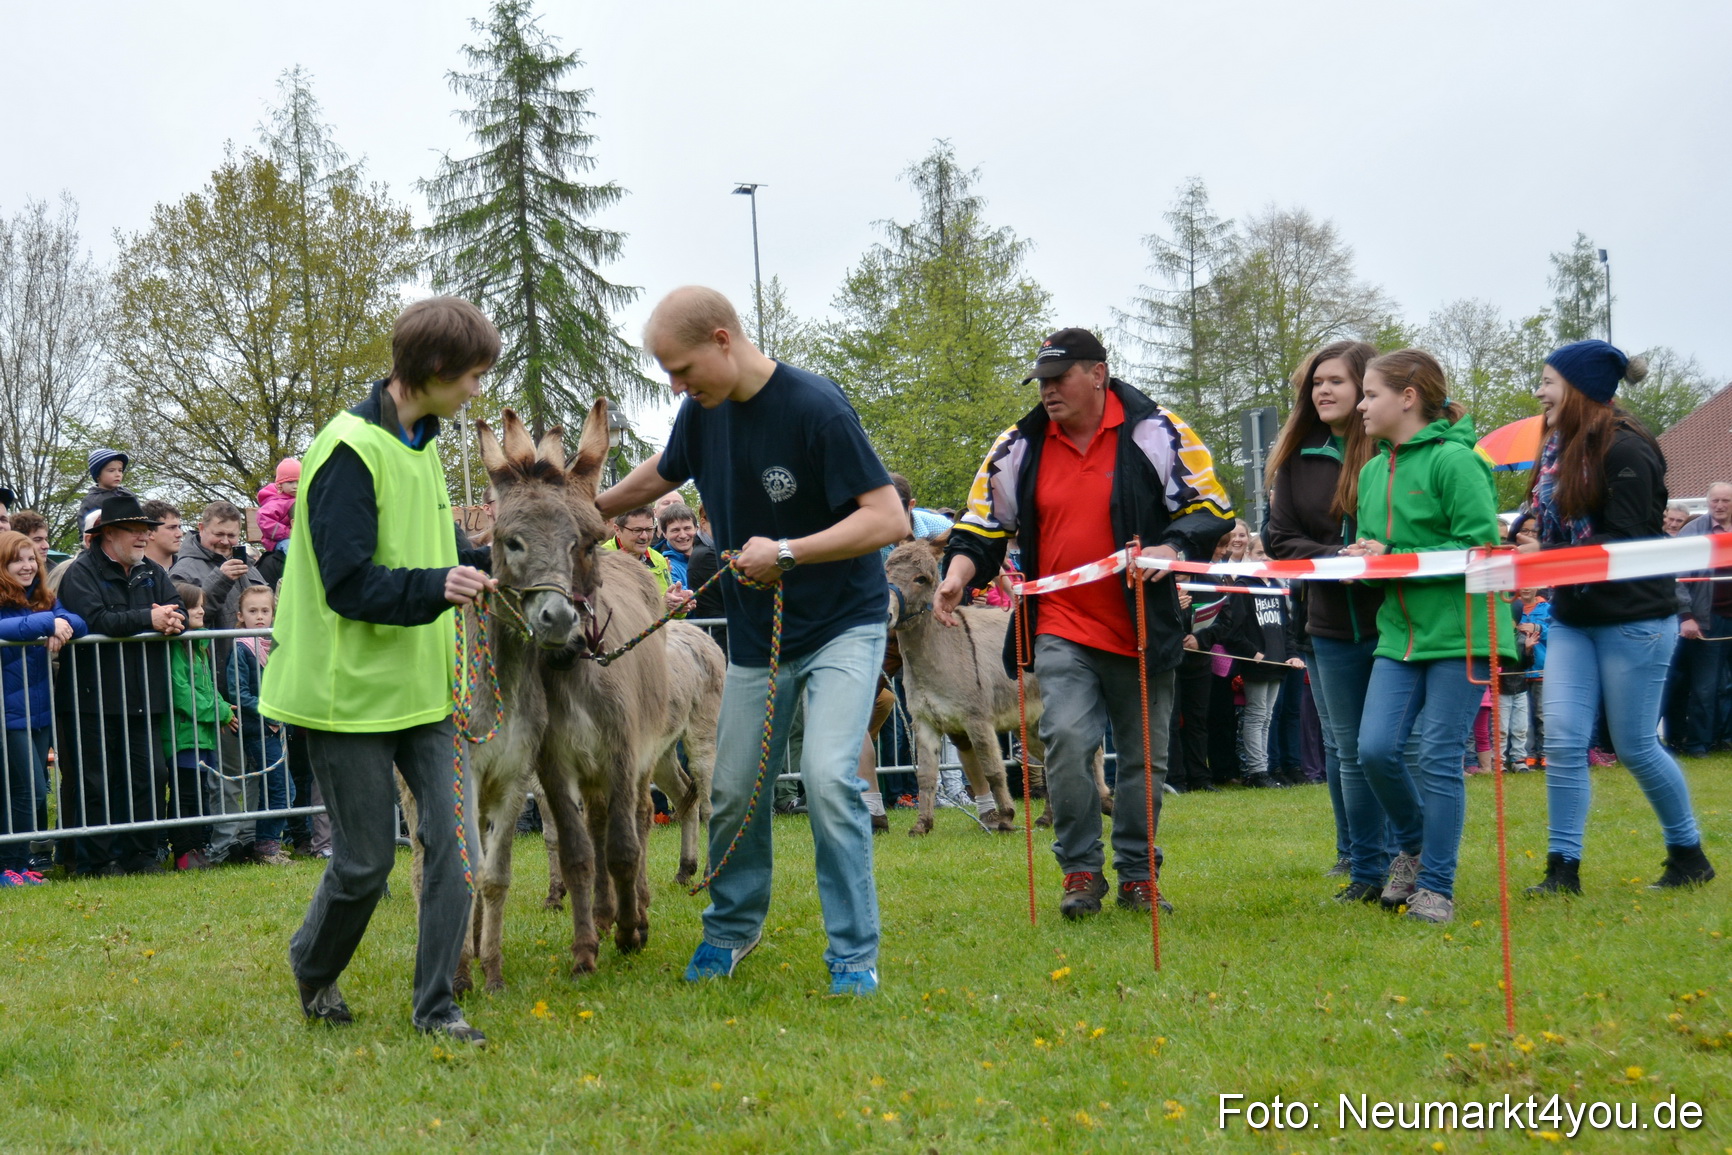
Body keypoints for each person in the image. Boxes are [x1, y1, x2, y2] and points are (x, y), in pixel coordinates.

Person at [598, 285, 905, 995]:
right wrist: (594, 505)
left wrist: (789, 552)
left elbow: (886, 516)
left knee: (830, 778)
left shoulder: (816, 408)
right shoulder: (701, 412)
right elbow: (667, 470)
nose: (676, 385)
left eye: (680, 368)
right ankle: (732, 927)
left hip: (842, 627)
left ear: (721, 339)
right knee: (732, 788)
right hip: (755, 634)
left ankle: (854, 955)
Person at [263, 295, 499, 1043]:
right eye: (472, 375)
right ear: (432, 369)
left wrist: (489, 565)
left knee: (457, 854)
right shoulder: (345, 450)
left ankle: (436, 1005)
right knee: (364, 865)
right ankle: (312, 964)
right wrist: (438, 587)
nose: (476, 390)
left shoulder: (423, 441)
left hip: (425, 691)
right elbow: (349, 582)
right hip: (345, 698)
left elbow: (434, 550)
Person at [937, 327, 1233, 919]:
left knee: (1144, 757)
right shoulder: (1019, 444)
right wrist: (958, 575)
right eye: (1041, 381)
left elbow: (1210, 507)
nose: (1047, 391)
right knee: (1067, 741)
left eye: (1059, 378)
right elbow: (984, 524)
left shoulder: (1157, 430)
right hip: (1060, 624)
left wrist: (1171, 549)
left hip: (1142, 623)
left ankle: (1137, 873)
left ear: (1097, 374)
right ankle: (1078, 870)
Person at [1517, 341, 1714, 895]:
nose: (1539, 391)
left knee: (1634, 745)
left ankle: (1688, 854)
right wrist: (1527, 532)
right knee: (1561, 741)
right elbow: (1557, 517)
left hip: (1636, 617)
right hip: (1575, 614)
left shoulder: (1628, 449)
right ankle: (1563, 870)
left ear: (1580, 389)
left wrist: (1548, 556)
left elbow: (1629, 538)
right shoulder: (1559, 446)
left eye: (1548, 381)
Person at [1343, 349, 1513, 924]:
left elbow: (1481, 550)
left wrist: (1393, 555)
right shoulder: (1370, 470)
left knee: (1439, 758)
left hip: (1461, 632)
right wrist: (1362, 558)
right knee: (1373, 750)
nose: (1360, 405)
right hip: (1398, 635)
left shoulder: (1458, 462)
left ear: (1408, 397)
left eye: (1370, 394)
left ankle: (1437, 886)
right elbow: (1376, 550)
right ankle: (1414, 848)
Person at [1264, 340, 1397, 889]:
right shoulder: (1298, 458)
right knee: (1345, 746)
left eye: (1337, 381)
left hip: (1394, 617)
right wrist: (1331, 559)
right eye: (1317, 382)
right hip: (1325, 621)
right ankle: (1357, 855)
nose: (1323, 390)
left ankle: (1401, 853)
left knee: (1386, 745)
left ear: (1366, 388)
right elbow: (1278, 539)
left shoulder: (1396, 453)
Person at [54, 493, 187, 876]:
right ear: (108, 534)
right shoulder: (81, 572)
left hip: (144, 695)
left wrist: (171, 622)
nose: (144, 538)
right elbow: (97, 620)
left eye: (146, 530)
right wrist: (149, 617)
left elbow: (173, 607)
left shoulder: (153, 572)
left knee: (151, 774)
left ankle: (142, 854)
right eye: (135, 530)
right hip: (91, 697)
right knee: (95, 780)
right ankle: (98, 859)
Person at [172, 501, 269, 864]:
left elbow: (264, 604)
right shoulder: (185, 567)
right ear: (201, 528)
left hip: (252, 680)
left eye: (232, 535)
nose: (226, 542)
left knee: (254, 769)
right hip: (214, 682)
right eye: (219, 535)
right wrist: (221, 578)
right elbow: (190, 613)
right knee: (225, 774)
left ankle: (249, 839)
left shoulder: (247, 564)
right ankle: (224, 843)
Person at [0, 530, 87, 884]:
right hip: (8, 712)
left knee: (26, 793)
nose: (27, 566)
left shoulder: (42, 597)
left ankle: (18, 866)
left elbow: (79, 623)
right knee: (29, 790)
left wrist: (60, 623)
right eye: (17, 559)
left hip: (39, 711)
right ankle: (9, 863)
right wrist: (47, 623)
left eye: (31, 559)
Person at [162, 582, 231, 872]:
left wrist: (223, 709)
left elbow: (208, 687)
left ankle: (197, 847)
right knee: (185, 795)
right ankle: (183, 851)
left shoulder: (200, 646)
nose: (201, 610)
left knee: (201, 792)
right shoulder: (177, 649)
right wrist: (220, 711)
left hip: (201, 736)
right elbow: (182, 693)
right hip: (182, 736)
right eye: (194, 606)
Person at [225, 585, 292, 866]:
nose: (260, 616)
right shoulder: (241, 648)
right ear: (240, 616)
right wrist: (269, 709)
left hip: (275, 727)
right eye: (253, 611)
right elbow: (238, 693)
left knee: (274, 788)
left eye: (266, 611)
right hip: (257, 727)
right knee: (282, 789)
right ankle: (267, 848)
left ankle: (267, 843)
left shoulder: (272, 644)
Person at [1672, 481, 1732, 757]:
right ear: (1708, 503)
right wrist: (1686, 616)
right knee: (1705, 687)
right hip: (1706, 619)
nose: (1720, 506)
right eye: (1715, 501)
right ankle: (1698, 744)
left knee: (1728, 687)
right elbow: (1676, 579)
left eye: (1726, 501)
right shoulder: (1692, 532)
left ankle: (1726, 739)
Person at [602, 506, 693, 616]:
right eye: (637, 530)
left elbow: (670, 615)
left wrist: (677, 604)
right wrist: (661, 604)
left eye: (649, 530)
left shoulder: (658, 559)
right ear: (618, 530)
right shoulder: (601, 560)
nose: (644, 536)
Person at [79, 448, 135, 520]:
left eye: (120, 470)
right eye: (111, 470)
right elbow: (85, 527)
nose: (118, 474)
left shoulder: (128, 494)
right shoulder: (92, 501)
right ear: (98, 475)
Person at [258, 458, 300, 552]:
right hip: (279, 540)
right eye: (290, 482)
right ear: (280, 485)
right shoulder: (277, 502)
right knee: (292, 549)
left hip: (298, 538)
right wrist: (287, 533)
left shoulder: (302, 500)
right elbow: (264, 520)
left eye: (298, 482)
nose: (295, 486)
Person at [656, 502, 701, 588]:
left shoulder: (711, 554)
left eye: (687, 528)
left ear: (696, 529)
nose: (683, 535)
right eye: (675, 530)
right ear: (664, 534)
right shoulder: (665, 566)